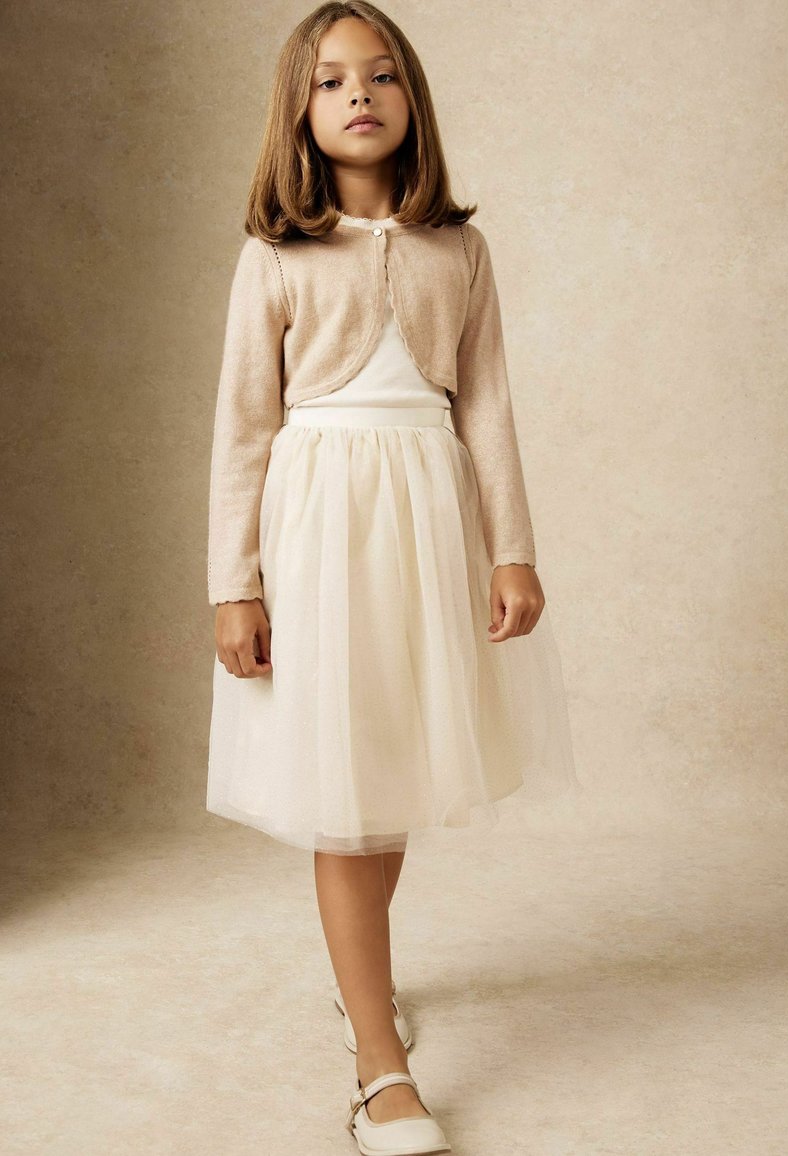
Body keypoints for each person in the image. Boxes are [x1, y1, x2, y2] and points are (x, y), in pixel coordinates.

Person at [205, 3, 583, 1152]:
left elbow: (488, 403)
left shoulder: (457, 251)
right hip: (320, 528)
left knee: (389, 769)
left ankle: (360, 992)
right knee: (342, 787)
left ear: (411, 99)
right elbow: (242, 426)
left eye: (378, 75)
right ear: (298, 112)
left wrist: (511, 548)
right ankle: (379, 1060)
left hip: (425, 525)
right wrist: (234, 580)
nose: (357, 95)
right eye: (329, 81)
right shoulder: (276, 256)